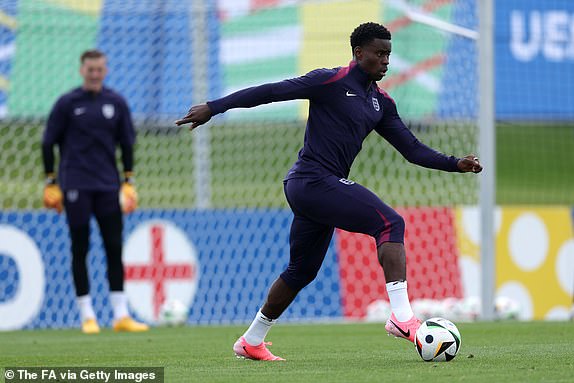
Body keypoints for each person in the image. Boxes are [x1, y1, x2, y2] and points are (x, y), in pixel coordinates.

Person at [176, 22, 482, 360]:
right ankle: (402, 317)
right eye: (379, 54)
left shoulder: (381, 102)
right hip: (311, 181)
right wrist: (213, 107)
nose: (385, 61)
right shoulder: (329, 81)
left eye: (388, 55)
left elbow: (412, 149)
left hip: (318, 189)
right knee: (389, 223)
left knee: (301, 271)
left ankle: (251, 341)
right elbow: (270, 92)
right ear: (358, 53)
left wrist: (455, 163)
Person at [42, 49, 148, 334]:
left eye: (99, 69)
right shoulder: (67, 103)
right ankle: (87, 315)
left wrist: (128, 181)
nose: (95, 74)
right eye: (90, 69)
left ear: (106, 70)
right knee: (80, 247)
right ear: (81, 70)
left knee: (114, 247)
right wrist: (51, 182)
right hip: (75, 185)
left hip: (107, 186)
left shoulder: (116, 102)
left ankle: (120, 315)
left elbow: (127, 144)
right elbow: (47, 142)